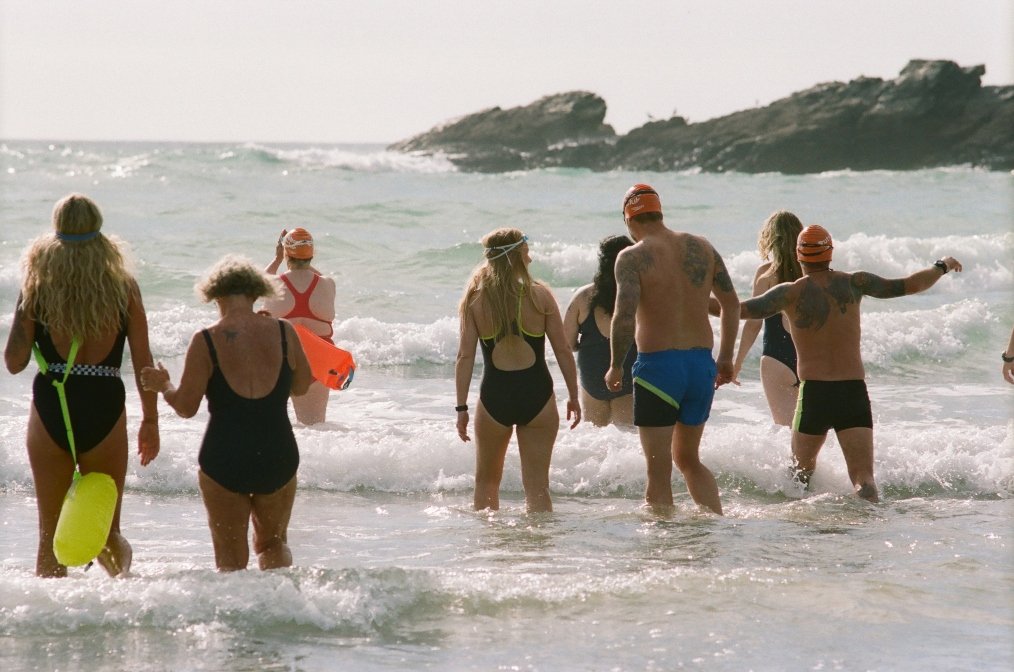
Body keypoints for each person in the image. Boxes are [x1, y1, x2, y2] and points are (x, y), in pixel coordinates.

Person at [740, 224, 962, 502]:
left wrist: (694, 298)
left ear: (799, 257)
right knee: (864, 480)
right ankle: (869, 535)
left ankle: (798, 533)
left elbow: (740, 310)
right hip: (852, 393)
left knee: (799, 476)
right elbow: (911, 284)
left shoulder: (790, 292)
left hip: (814, 396)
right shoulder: (856, 283)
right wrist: (942, 265)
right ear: (830, 253)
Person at [3, 193, 160, 577]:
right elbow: (143, 361)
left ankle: (52, 627)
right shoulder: (123, 286)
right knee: (107, 532)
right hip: (104, 403)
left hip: (53, 403)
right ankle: (123, 599)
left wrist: (26, 304)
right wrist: (150, 421)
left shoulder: (38, 285)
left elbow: (14, 362)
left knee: (50, 538)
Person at [141, 255, 312, 571]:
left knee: (230, 558)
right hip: (277, 453)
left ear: (214, 295)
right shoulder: (285, 332)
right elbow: (303, 386)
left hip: (224, 457)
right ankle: (282, 610)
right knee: (274, 545)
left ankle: (239, 617)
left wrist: (163, 386)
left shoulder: (206, 339)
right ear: (256, 292)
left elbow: (186, 407)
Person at [606, 184, 740, 515]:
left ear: (629, 220)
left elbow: (624, 316)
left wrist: (615, 365)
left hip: (659, 369)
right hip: (700, 367)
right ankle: (714, 525)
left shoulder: (632, 256)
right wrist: (726, 357)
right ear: (659, 212)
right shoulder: (702, 247)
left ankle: (664, 548)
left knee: (659, 469)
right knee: (689, 459)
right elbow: (731, 304)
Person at [455, 228, 581, 513]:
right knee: (537, 487)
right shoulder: (540, 296)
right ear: (515, 256)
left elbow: (465, 356)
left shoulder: (474, 299)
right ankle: (537, 552)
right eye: (526, 252)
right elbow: (562, 349)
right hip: (538, 397)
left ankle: (489, 550)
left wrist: (461, 407)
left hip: (494, 399)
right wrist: (574, 395)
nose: (531, 258)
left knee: (486, 484)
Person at [732, 211, 804, 425]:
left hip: (776, 359)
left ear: (771, 238)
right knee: (809, 433)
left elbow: (753, 324)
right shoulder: (811, 272)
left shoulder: (766, 274)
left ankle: (791, 461)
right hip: (810, 357)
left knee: (784, 430)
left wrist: (737, 362)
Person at [263, 227, 336, 425]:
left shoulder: (273, 284)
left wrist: (278, 259)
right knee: (315, 428)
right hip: (319, 361)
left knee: (270, 428)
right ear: (312, 255)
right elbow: (319, 278)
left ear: (286, 253)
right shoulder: (328, 285)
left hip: (282, 360)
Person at [563, 235, 636, 427]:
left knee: (595, 438)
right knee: (627, 441)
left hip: (592, 374)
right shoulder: (638, 296)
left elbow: (567, 343)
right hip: (627, 374)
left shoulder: (582, 296)